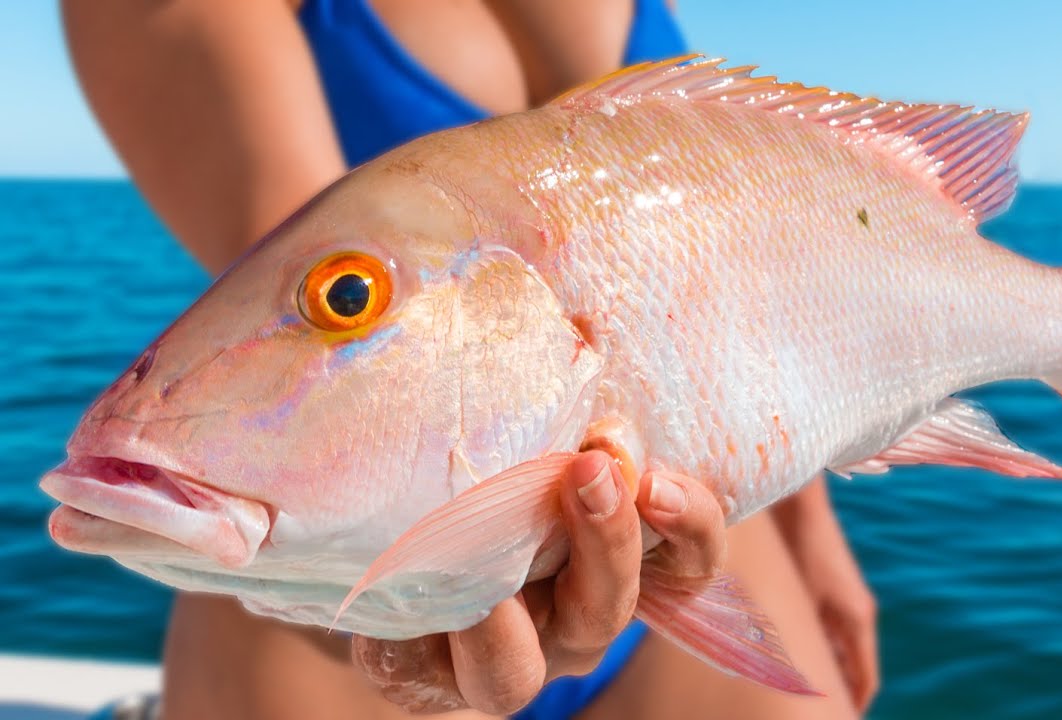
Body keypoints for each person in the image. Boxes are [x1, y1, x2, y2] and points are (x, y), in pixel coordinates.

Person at [63, 1, 880, 718]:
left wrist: (812, 532)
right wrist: (419, 600)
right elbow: (303, 299)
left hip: (680, 543)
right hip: (346, 614)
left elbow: (716, 291)